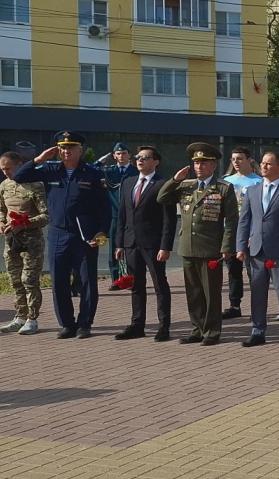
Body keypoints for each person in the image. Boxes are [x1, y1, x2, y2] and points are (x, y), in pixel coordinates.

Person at [13, 130, 112, 339]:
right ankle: (67, 324)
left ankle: (85, 324)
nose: (65, 151)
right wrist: (39, 159)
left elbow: (104, 206)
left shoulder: (92, 173)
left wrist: (102, 231)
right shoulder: (50, 169)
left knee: (86, 281)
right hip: (58, 233)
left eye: (70, 147)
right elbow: (19, 176)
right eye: (62, 148)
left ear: (80, 150)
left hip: (85, 234)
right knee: (58, 281)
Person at [157, 143, 237, 345]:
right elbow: (162, 198)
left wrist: (227, 247)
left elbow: (232, 221)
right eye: (196, 163)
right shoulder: (186, 186)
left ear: (213, 166)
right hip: (188, 247)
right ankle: (197, 328)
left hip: (211, 248)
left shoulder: (223, 188)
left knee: (211, 293)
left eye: (203, 163)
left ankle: (211, 331)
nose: (198, 167)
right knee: (193, 292)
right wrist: (175, 180)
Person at [236, 151, 279, 350]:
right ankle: (257, 331)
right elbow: (244, 221)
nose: (263, 167)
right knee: (257, 293)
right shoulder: (252, 191)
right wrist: (240, 246)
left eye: (268, 164)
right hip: (256, 250)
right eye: (263, 163)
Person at [113, 146, 177, 342]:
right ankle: (137, 324)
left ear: (155, 162)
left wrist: (165, 246)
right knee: (136, 285)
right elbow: (122, 216)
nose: (140, 160)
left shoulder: (163, 184)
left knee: (159, 284)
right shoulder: (128, 183)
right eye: (138, 157)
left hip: (153, 243)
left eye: (145, 157)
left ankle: (163, 326)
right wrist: (120, 244)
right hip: (131, 242)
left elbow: (169, 219)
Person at [0, 151, 48, 336]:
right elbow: (1, 209)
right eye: (2, 169)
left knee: (29, 280)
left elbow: (45, 215)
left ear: (19, 165)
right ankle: (19, 316)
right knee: (15, 279)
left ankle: (32, 319)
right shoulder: (4, 185)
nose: (6, 173)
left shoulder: (35, 185)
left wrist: (24, 223)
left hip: (31, 241)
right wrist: (1, 222)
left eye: (8, 168)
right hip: (11, 240)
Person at [221, 146, 264, 320]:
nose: (236, 162)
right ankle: (234, 305)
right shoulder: (226, 181)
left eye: (240, 158)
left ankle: (257, 305)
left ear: (249, 160)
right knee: (233, 270)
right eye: (233, 159)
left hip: (251, 232)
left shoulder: (258, 182)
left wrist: (253, 233)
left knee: (253, 271)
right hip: (231, 231)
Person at [98, 142, 137, 287]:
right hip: (114, 215)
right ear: (114, 156)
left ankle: (133, 278)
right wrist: (100, 161)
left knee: (133, 248)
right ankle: (116, 280)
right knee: (115, 247)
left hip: (132, 215)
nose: (121, 156)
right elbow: (92, 169)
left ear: (129, 155)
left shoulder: (135, 171)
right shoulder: (108, 171)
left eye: (124, 153)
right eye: (118, 154)